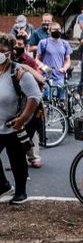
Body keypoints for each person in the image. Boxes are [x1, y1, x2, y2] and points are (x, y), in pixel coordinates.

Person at [0, 35, 41, 204]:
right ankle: (3, 186)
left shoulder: (19, 73)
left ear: (10, 52)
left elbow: (34, 96)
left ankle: (20, 193)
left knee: (16, 157)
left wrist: (23, 118)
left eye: (2, 51)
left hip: (16, 123)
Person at [36, 21, 73, 95]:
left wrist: (64, 68)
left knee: (61, 101)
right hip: (46, 76)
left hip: (60, 76)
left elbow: (68, 60)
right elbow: (37, 59)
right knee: (48, 100)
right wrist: (44, 67)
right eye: (55, 30)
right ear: (49, 31)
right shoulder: (43, 43)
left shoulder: (65, 43)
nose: (57, 31)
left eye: (59, 29)